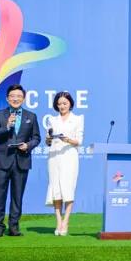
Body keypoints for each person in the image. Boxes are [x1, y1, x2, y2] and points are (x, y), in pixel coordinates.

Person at [0, 84, 41, 237]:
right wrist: (6, 126)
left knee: (17, 197)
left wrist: (28, 145)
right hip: (2, 161)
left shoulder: (31, 116)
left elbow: (36, 137)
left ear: (23, 98)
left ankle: (14, 227)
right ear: (7, 98)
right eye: (12, 96)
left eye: (19, 96)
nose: (15, 99)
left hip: (22, 161)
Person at [44, 91, 83, 236]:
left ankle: (66, 221)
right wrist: (48, 139)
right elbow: (47, 141)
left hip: (69, 156)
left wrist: (67, 140)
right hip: (54, 156)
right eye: (59, 104)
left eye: (65, 103)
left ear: (70, 104)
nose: (62, 106)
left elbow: (79, 141)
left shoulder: (78, 119)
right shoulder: (52, 120)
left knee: (68, 188)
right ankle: (58, 222)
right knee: (56, 189)